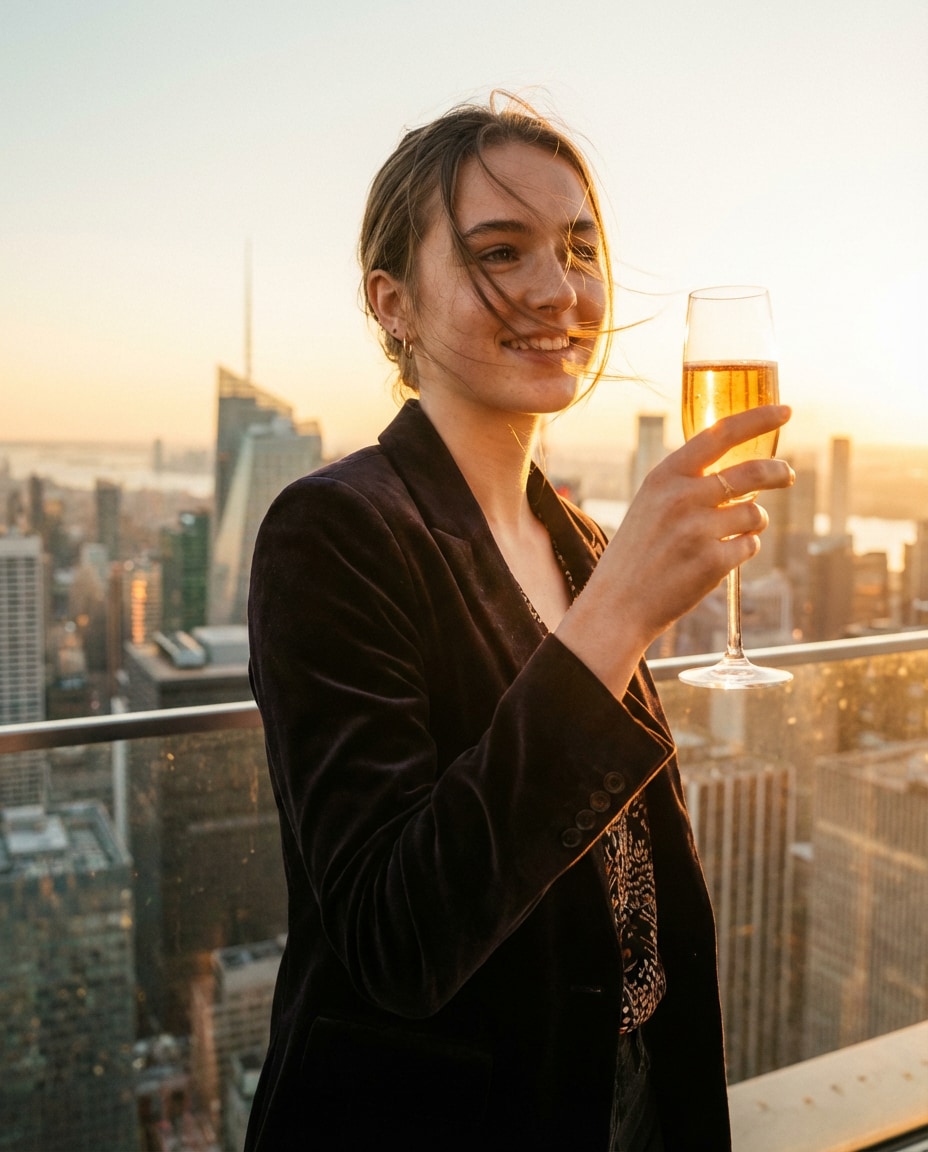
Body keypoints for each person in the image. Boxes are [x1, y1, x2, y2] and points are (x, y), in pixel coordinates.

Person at [245, 94, 793, 1151]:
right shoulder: (334, 530)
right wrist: (619, 615)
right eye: (500, 252)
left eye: (579, 249)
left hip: (625, 1099)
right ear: (394, 303)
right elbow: (395, 937)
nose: (557, 289)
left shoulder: (580, 538)